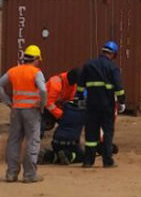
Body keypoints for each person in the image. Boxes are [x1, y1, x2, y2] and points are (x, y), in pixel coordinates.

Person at [0, 45, 47, 183]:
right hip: (31, 111)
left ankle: (11, 174)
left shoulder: (13, 71)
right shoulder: (36, 72)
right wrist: (42, 104)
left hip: (16, 110)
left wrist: (8, 102)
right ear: (35, 59)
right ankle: (29, 175)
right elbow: (43, 90)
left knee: (14, 141)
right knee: (32, 141)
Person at [76, 40, 125, 168]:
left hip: (91, 105)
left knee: (91, 133)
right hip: (107, 105)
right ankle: (107, 161)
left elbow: (80, 86)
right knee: (107, 133)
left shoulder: (89, 65)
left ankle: (88, 161)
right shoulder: (113, 67)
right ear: (113, 54)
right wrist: (122, 101)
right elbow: (119, 87)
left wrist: (81, 99)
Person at [40, 100, 86, 165]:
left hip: (56, 141)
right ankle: (68, 155)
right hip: (70, 143)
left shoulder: (66, 109)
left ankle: (49, 156)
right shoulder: (83, 113)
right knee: (82, 157)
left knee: (57, 153)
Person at [42, 68, 80, 133]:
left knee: (70, 121)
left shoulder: (72, 84)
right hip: (43, 107)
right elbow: (48, 103)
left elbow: (70, 101)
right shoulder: (56, 83)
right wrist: (61, 115)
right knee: (41, 126)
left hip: (55, 106)